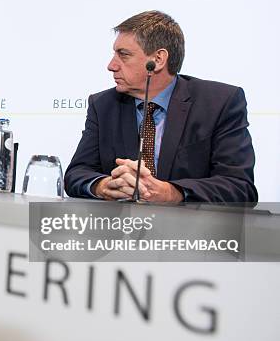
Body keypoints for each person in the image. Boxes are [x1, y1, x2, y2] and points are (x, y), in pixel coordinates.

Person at [64, 11, 257, 203]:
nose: (111, 65)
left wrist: (172, 193)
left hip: (192, 230)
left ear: (157, 60)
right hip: (121, 229)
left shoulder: (219, 102)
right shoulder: (103, 105)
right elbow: (76, 174)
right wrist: (104, 186)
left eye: (123, 55)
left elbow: (240, 186)